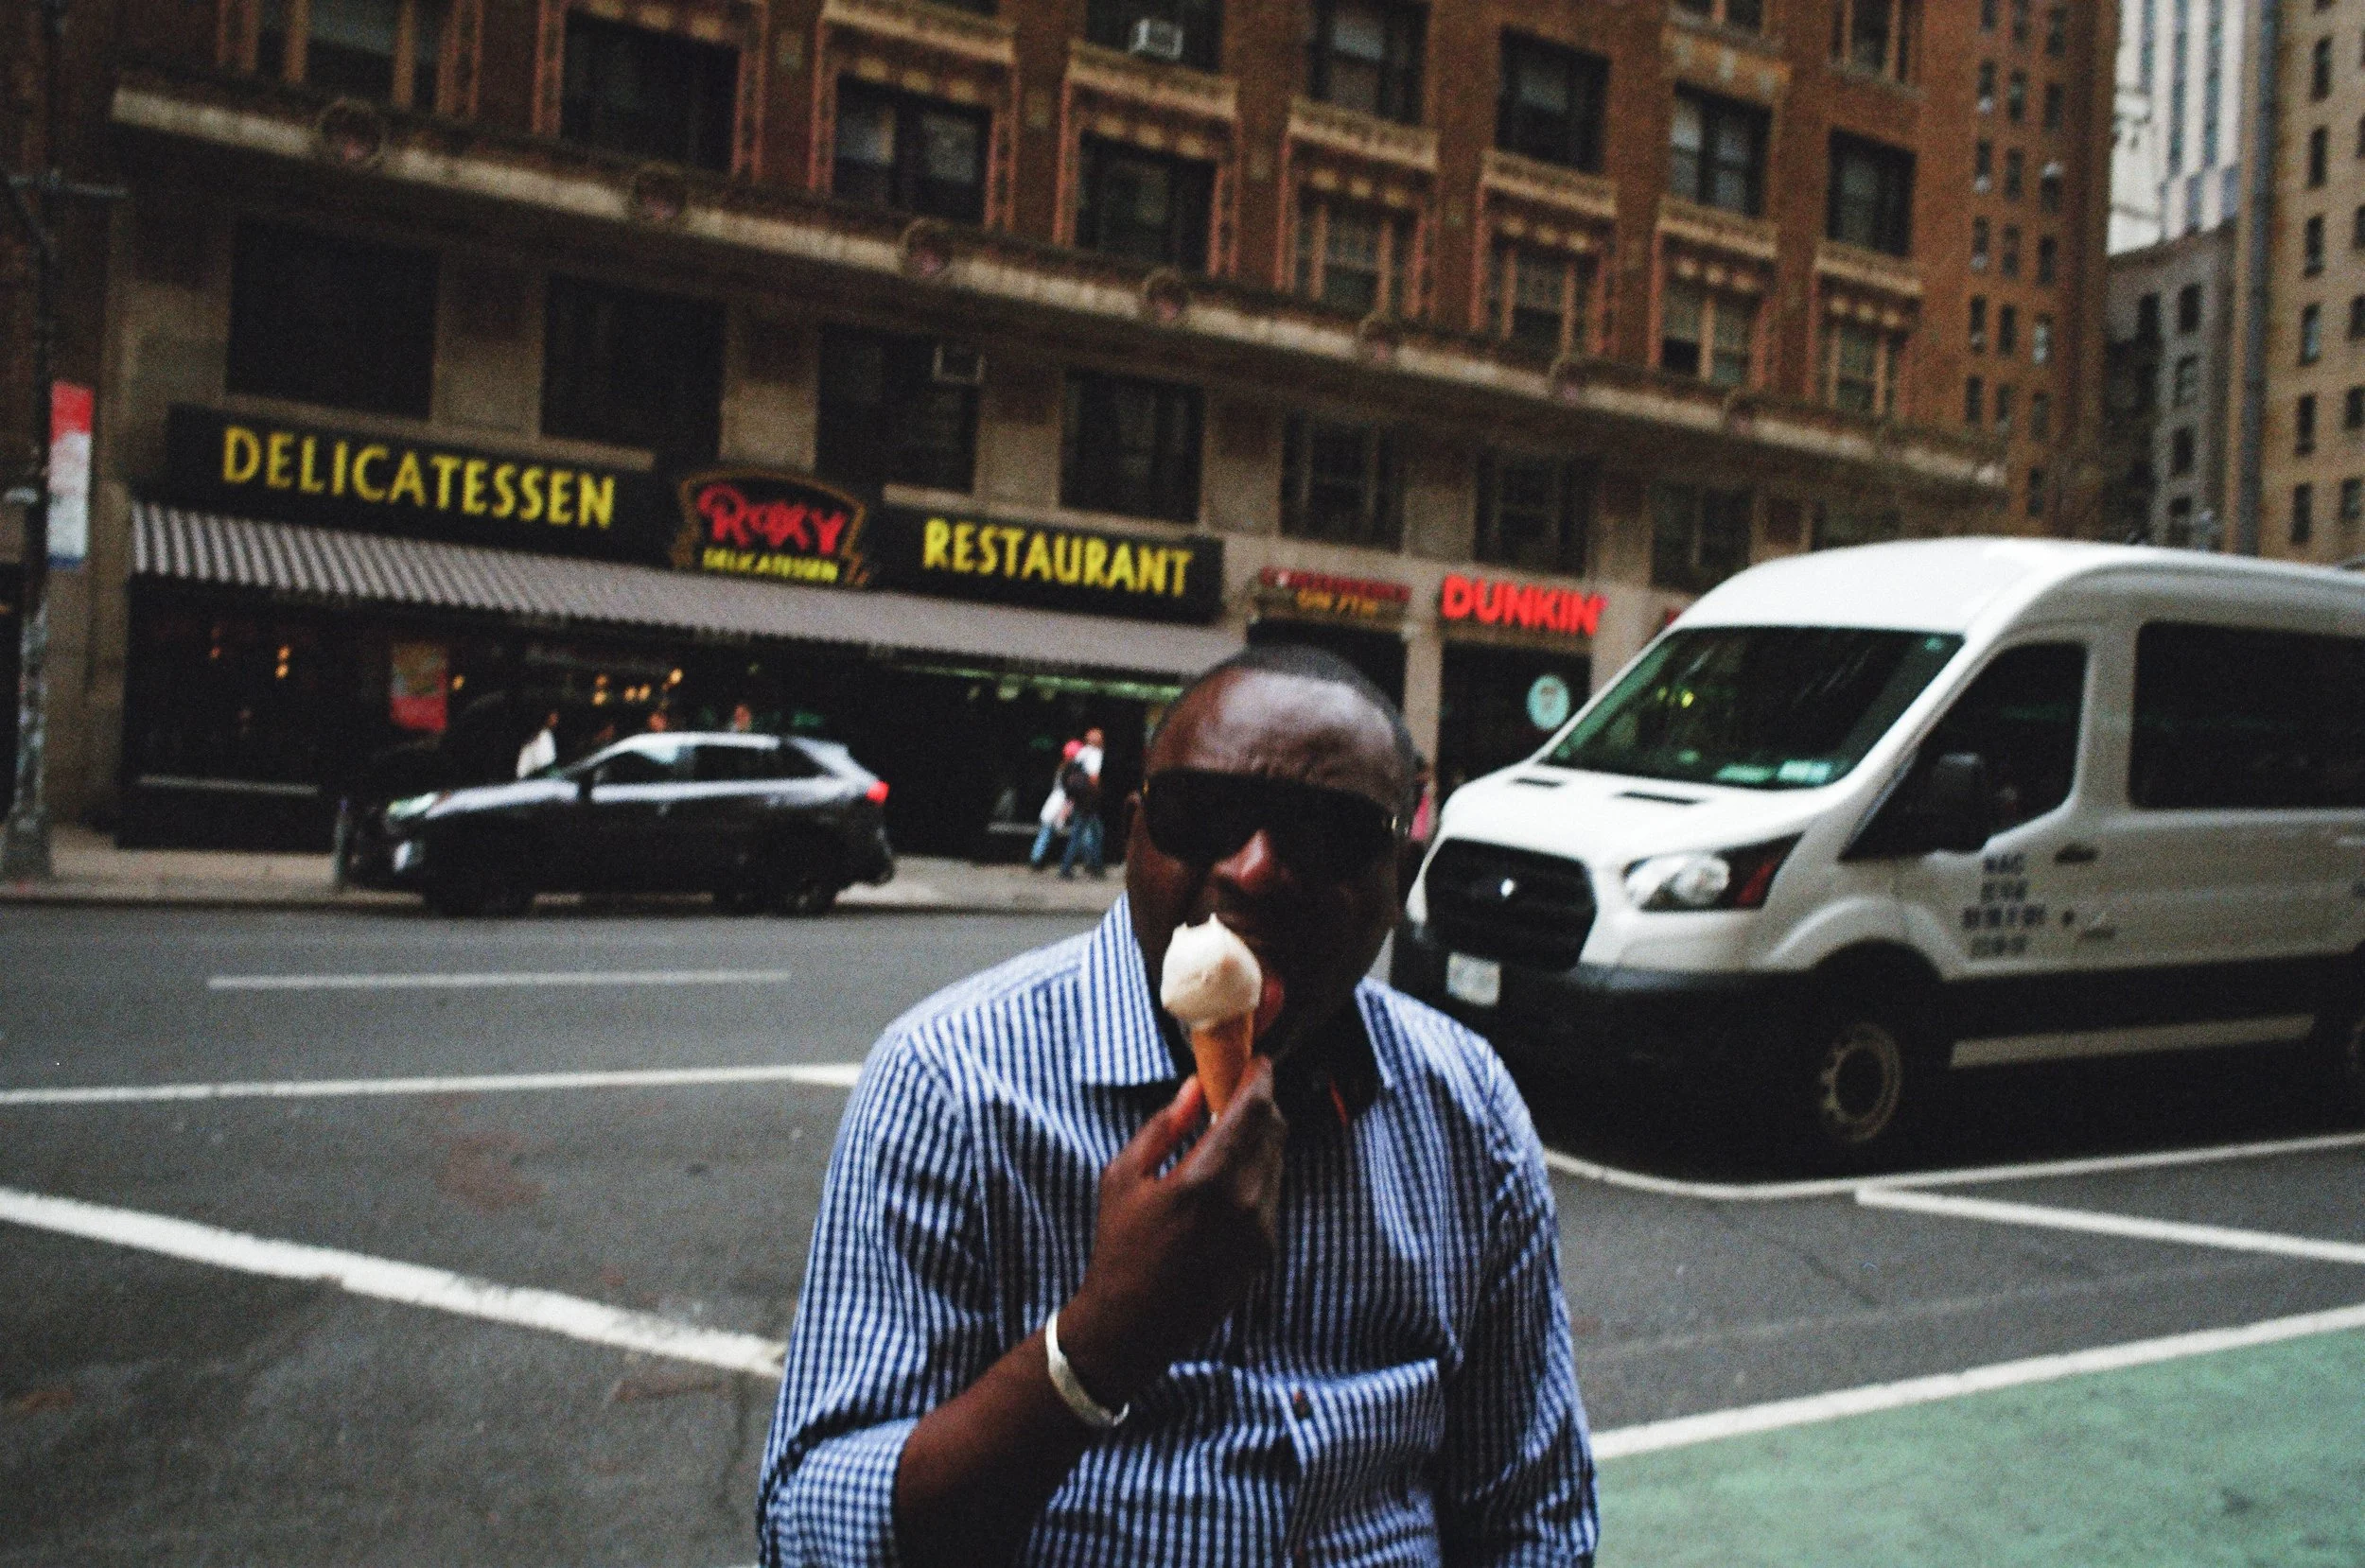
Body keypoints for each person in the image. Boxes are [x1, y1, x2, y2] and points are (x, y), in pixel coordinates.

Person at [757, 645, 1596, 1567]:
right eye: (1203, 813)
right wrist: (1100, 1341)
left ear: (1400, 871)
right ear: (1134, 834)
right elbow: (809, 1530)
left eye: (1326, 831)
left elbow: (1530, 1511)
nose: (1256, 867)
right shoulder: (953, 1081)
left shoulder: (1466, 1107)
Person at [1057, 725, 1106, 880]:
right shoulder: (1096, 754)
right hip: (1088, 801)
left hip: (1079, 798)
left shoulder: (1082, 752)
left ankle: (1095, 865)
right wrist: (1097, 793)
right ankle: (1068, 867)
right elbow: (1093, 778)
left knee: (1095, 832)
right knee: (1080, 834)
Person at [1029, 738, 1083, 871]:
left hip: (1054, 800)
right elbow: (1070, 788)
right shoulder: (1073, 768)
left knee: (1046, 830)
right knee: (1071, 831)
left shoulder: (1061, 767)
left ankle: (1036, 857)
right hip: (1062, 801)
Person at [515, 711, 559, 779]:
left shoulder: (545, 734)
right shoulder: (543, 735)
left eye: (556, 718)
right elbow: (545, 762)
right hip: (533, 776)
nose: (555, 721)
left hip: (534, 773)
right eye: (552, 718)